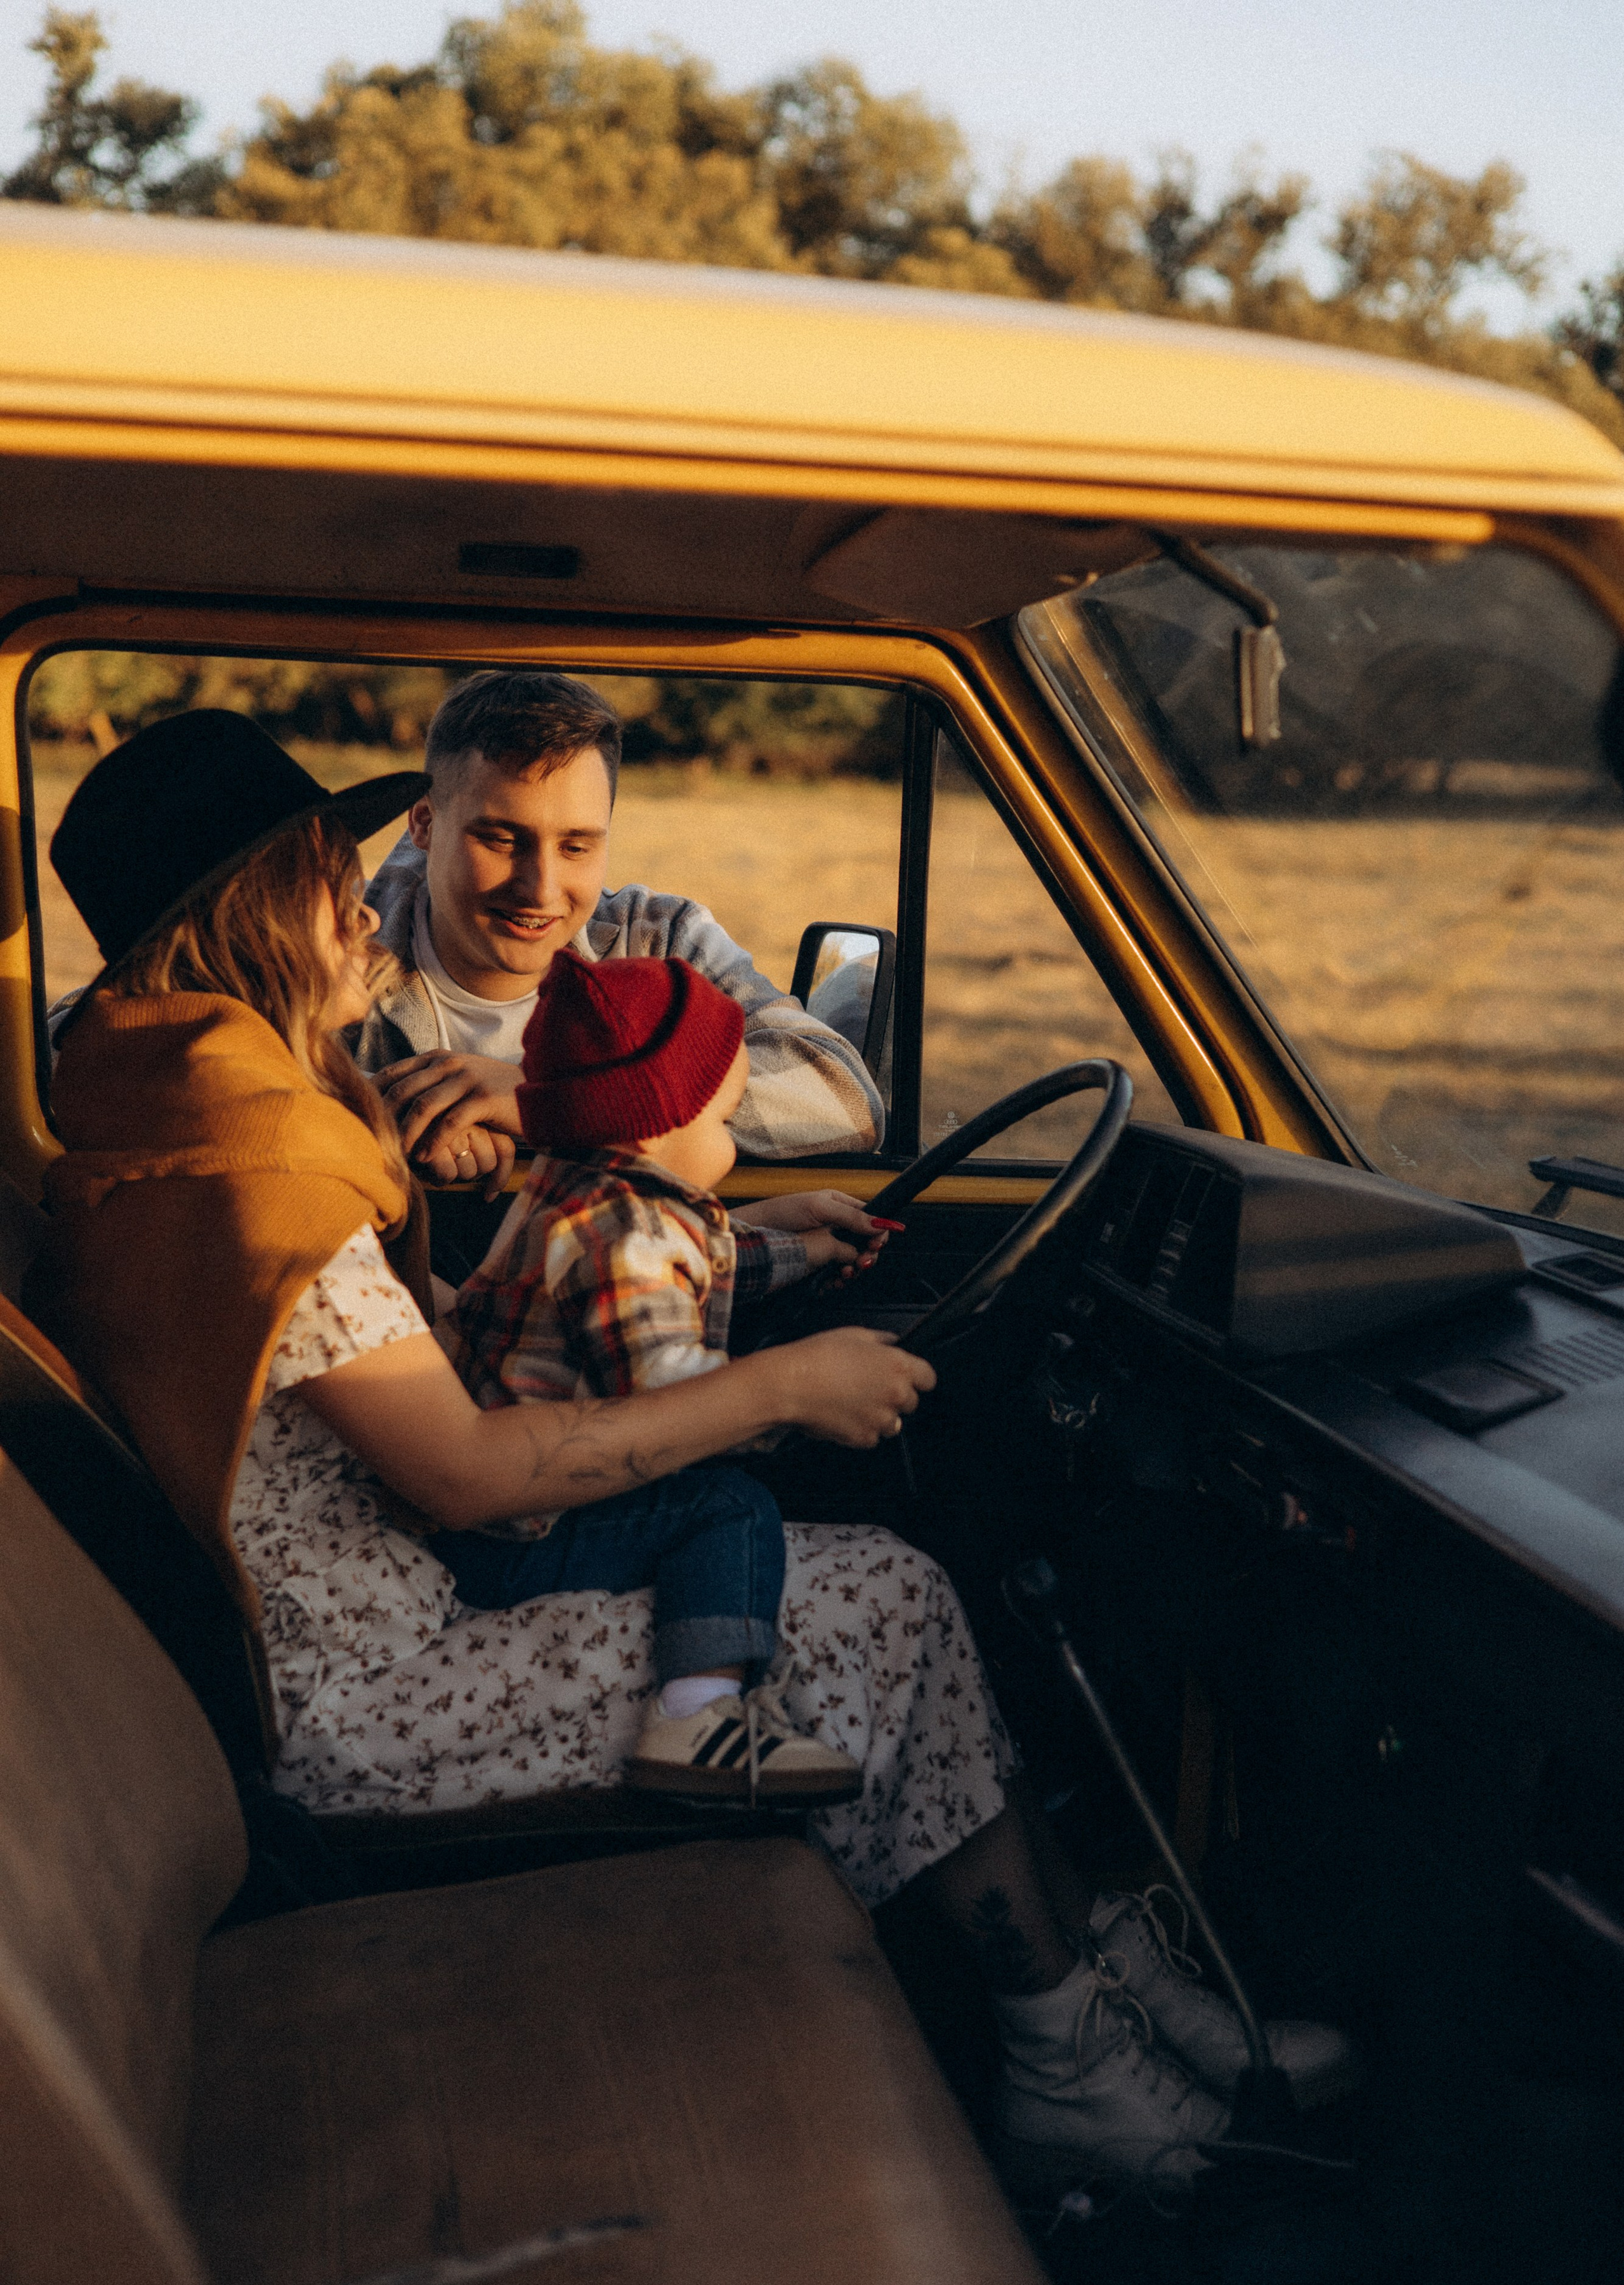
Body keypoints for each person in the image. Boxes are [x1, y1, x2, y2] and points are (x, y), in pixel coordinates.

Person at [38, 708, 1356, 2199]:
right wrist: (775, 1385)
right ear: (263, 908)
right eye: (335, 877)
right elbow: (473, 1469)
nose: (367, 901)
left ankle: (1085, 1982)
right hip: (368, 1702)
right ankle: (1066, 2049)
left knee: (883, 1591)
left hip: (387, 1613)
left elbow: (443, 1344)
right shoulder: (248, 1177)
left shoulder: (208, 1129)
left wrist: (731, 1246)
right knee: (889, 1599)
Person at [435, 948, 879, 1806]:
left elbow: (707, 1259)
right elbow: (672, 1394)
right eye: (725, 1120)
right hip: (521, 1535)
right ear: (658, 1121)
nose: (729, 1140)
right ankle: (699, 1715)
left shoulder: (588, 1187)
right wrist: (796, 1401)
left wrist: (811, 1248)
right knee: (729, 1506)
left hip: (514, 1503)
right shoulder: (624, 1235)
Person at [353, 667, 884, 1188]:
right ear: (423, 823)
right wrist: (380, 1124)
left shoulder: (660, 939)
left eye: (576, 847)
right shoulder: (333, 943)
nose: (541, 888)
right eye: (501, 840)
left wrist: (549, 1104)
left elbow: (846, 1101)